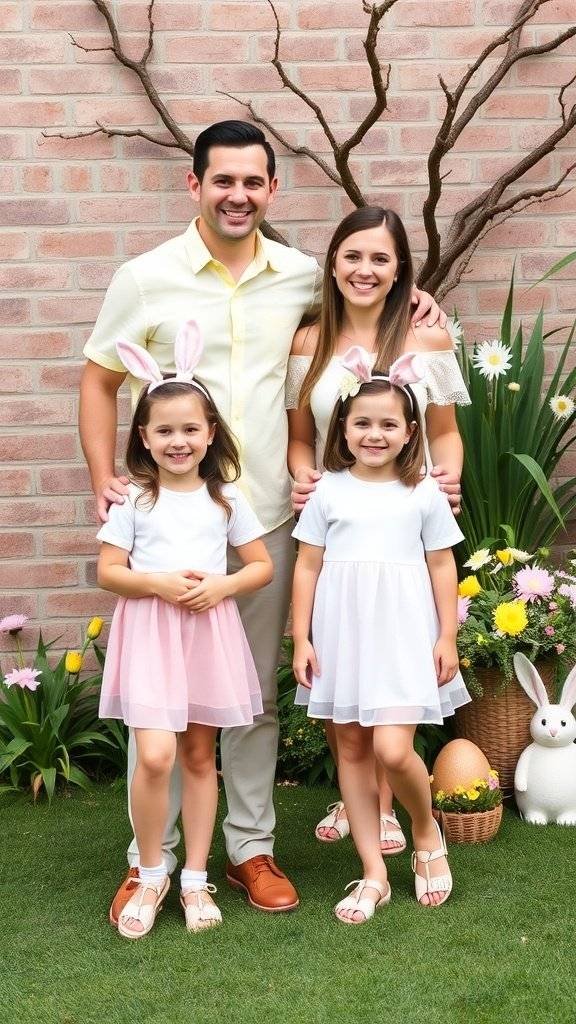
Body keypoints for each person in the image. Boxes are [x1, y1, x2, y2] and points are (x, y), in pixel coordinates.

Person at [79, 120, 444, 920]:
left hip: (269, 521)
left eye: (253, 182)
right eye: (222, 181)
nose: (238, 195)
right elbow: (101, 380)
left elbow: (365, 304)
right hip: (174, 525)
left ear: (272, 190)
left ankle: (249, 847)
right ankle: (155, 860)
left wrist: (416, 301)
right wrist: (106, 476)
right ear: (195, 186)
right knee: (165, 703)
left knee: (248, 696)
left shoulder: (305, 279)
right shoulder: (145, 278)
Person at [286, 206, 470, 852]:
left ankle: (389, 810)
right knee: (346, 660)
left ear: (400, 272)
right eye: (353, 256)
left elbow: (444, 435)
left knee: (390, 660)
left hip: (402, 529)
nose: (365, 270)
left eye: (381, 259)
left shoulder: (428, 340)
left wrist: (444, 483)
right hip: (335, 521)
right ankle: (356, 795)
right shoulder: (307, 341)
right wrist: (304, 477)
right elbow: (300, 440)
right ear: (333, 263)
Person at [97, 322, 273, 938]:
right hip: (152, 633)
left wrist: (221, 585)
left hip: (205, 632)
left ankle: (196, 879)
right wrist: (160, 584)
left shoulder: (225, 499)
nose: (178, 441)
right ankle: (151, 870)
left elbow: (260, 565)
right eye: (164, 430)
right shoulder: (135, 502)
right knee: (155, 754)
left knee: (201, 755)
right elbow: (108, 571)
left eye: (190, 429)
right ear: (143, 438)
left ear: (210, 433)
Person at [291, 348, 471, 921]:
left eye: (388, 423)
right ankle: (373, 870)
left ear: (409, 430)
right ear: (342, 426)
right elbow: (307, 566)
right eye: (362, 422)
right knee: (350, 746)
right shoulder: (327, 491)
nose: (375, 433)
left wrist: (448, 636)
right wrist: (302, 639)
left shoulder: (422, 492)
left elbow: (443, 566)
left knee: (393, 748)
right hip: (342, 635)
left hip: (402, 635)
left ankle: (424, 831)